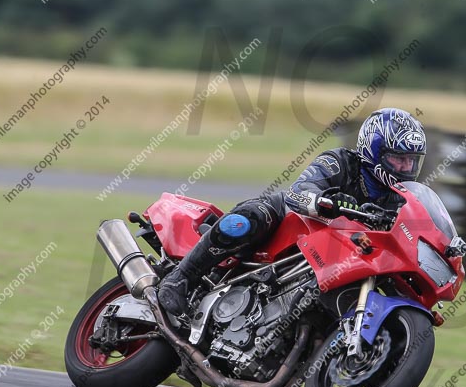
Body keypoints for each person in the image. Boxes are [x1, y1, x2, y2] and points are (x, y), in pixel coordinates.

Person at [158, 107, 427, 316]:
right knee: (243, 222)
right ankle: (180, 278)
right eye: (398, 158)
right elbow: (300, 190)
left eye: (410, 162)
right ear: (375, 149)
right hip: (292, 219)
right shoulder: (341, 163)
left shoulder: (400, 199)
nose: (405, 169)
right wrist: (328, 202)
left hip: (342, 254)